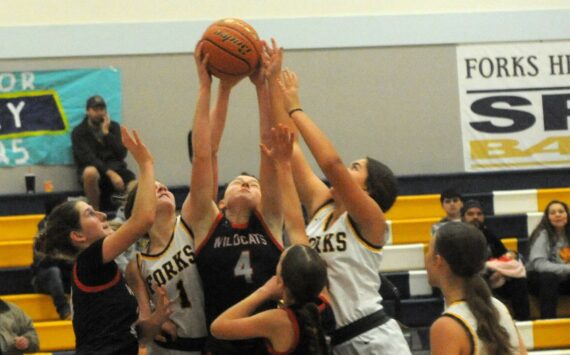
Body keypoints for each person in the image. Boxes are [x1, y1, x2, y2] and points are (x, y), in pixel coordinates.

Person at [265, 40, 410, 354]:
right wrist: (272, 84)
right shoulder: (322, 206)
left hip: (375, 337)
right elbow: (290, 147)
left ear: (368, 191)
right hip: (335, 341)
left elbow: (329, 164)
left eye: (355, 168)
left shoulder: (371, 220)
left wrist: (296, 107)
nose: (345, 168)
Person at [123, 69, 245, 355]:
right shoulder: (137, 263)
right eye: (151, 188)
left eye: (161, 184)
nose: (162, 187)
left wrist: (219, 89)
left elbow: (206, 153)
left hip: (217, 342)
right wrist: (154, 321)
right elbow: (142, 330)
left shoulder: (190, 220)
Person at [187, 44, 288, 354]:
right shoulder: (205, 221)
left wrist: (263, 86)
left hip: (268, 344)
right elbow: (204, 154)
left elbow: (270, 151)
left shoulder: (269, 220)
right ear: (221, 201)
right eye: (237, 182)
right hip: (220, 345)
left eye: (253, 184)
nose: (246, 181)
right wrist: (209, 88)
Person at [39, 127, 171, 354]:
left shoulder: (100, 270)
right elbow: (143, 220)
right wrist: (146, 164)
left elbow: (131, 334)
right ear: (78, 235)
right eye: (90, 213)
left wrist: (155, 319)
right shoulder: (89, 260)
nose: (102, 215)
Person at [426, 222, 526, 355]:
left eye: (428, 250)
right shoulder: (498, 307)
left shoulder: (446, 326)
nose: (425, 256)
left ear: (438, 261)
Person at [211, 244, 330, 355]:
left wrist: (264, 291)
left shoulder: (278, 320)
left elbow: (217, 327)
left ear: (281, 281)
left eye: (280, 261)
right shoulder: (325, 306)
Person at [461, 200, 530, 320]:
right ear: (463, 217)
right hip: (471, 279)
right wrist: (489, 272)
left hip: (495, 276)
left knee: (519, 280)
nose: (475, 217)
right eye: (470, 214)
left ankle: (523, 320)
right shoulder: (458, 236)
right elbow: (463, 266)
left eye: (479, 214)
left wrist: (512, 255)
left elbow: (504, 254)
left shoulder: (487, 233)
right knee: (480, 279)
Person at [71, 95, 136, 211]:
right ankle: (95, 211)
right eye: (95, 110)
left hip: (117, 170)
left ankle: (130, 213)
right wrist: (110, 173)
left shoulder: (114, 127)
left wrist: (107, 134)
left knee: (136, 185)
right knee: (90, 172)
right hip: (96, 173)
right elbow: (88, 158)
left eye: (102, 109)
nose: (99, 113)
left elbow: (121, 153)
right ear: (88, 111)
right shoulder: (79, 132)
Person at [31, 195, 73, 320]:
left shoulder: (72, 228)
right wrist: (65, 258)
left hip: (67, 275)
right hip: (45, 278)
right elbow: (43, 261)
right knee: (54, 271)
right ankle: (64, 311)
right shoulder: (42, 234)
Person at [526, 200, 570, 319]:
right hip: (539, 280)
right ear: (548, 217)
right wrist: (567, 268)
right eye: (553, 212)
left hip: (563, 279)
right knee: (549, 277)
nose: (557, 215)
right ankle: (548, 320)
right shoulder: (542, 234)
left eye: (561, 211)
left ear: (567, 215)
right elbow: (540, 265)